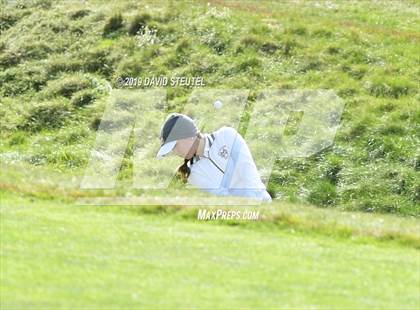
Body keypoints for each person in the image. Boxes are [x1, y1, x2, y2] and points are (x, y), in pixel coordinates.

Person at [156, 113, 272, 202]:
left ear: (188, 136)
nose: (176, 152)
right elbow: (223, 198)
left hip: (263, 204)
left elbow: (249, 175)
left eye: (175, 146)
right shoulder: (193, 173)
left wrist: (255, 206)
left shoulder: (227, 135)